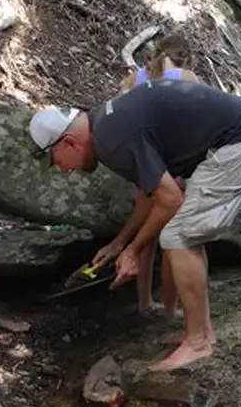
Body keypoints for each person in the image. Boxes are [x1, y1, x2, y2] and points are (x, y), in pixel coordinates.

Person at [28, 79, 241, 371]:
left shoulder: (112, 139)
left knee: (177, 237)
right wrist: (120, 243)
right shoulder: (107, 124)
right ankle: (200, 332)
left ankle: (198, 343)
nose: (63, 169)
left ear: (69, 142)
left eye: (56, 161)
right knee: (186, 234)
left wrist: (133, 251)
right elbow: (152, 195)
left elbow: (171, 200)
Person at [85, 34, 202, 318]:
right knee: (173, 238)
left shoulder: (133, 78)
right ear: (185, 57)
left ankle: (145, 303)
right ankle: (172, 309)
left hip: (141, 162)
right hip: (172, 164)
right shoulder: (187, 76)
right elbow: (198, 116)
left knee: (147, 235)